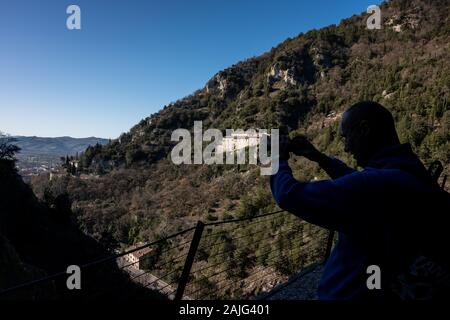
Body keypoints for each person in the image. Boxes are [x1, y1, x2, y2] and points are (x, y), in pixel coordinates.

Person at [270, 101, 446, 300]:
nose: (345, 148)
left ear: (364, 129)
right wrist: (319, 158)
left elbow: (289, 195)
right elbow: (360, 182)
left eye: (346, 137)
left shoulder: (380, 184)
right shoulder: (407, 169)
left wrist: (275, 159)